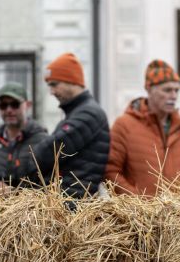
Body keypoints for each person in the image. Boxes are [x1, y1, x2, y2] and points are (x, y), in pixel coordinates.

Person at [13, 52, 110, 199]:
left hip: (73, 204)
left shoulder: (89, 114)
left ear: (72, 80)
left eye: (54, 84)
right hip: (69, 200)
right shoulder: (78, 113)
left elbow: (49, 152)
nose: (51, 92)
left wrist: (18, 172)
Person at [105, 59, 180, 196]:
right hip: (140, 216)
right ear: (149, 89)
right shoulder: (124, 125)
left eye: (176, 90)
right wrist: (137, 203)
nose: (173, 96)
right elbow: (110, 171)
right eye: (167, 90)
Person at [0, 82, 50, 190]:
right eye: (3, 105)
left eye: (15, 104)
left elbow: (52, 188)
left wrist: (12, 192)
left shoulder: (44, 141)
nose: (9, 110)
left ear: (28, 105)